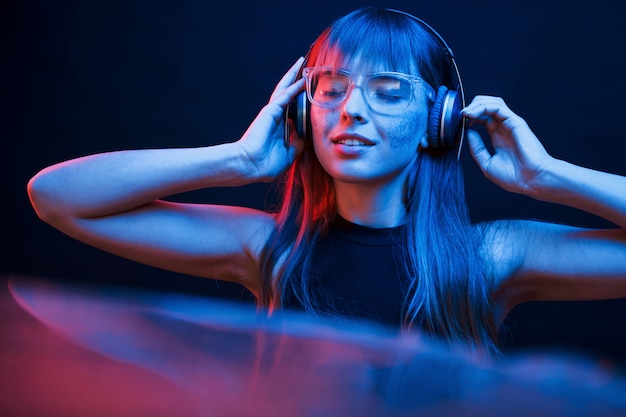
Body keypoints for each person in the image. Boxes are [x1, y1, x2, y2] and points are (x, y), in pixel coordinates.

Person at [27, 7, 626, 358]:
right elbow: (57, 197)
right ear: (301, 112)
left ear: (435, 122)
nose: (351, 112)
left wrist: (547, 176)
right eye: (331, 89)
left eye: (387, 92)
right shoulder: (271, 250)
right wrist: (234, 161)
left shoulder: (488, 258)